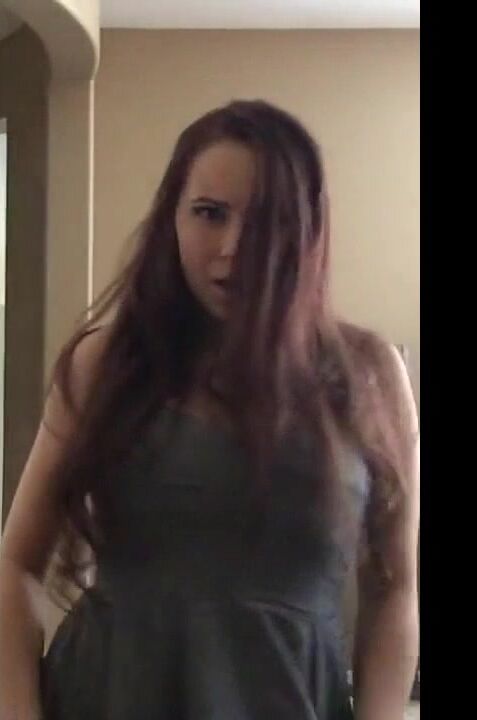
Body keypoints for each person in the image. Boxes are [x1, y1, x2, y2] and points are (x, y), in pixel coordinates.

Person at [0, 99, 420, 720]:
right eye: (209, 213)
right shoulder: (105, 363)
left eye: (268, 220)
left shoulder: (370, 373)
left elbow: (395, 589)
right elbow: (16, 565)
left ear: (307, 229)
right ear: (172, 217)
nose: (234, 247)